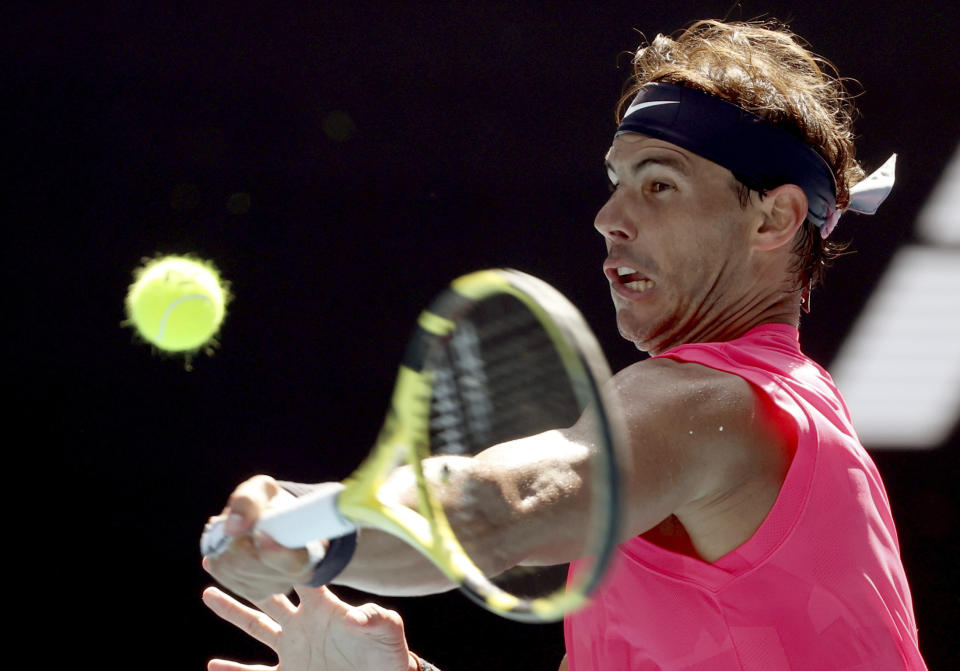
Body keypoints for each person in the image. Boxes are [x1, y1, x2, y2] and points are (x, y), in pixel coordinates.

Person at [203, 19, 926, 670]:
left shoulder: (711, 403)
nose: (608, 217)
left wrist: (314, 522)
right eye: (616, 182)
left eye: (659, 185)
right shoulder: (797, 413)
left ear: (774, 218)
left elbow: (497, 503)